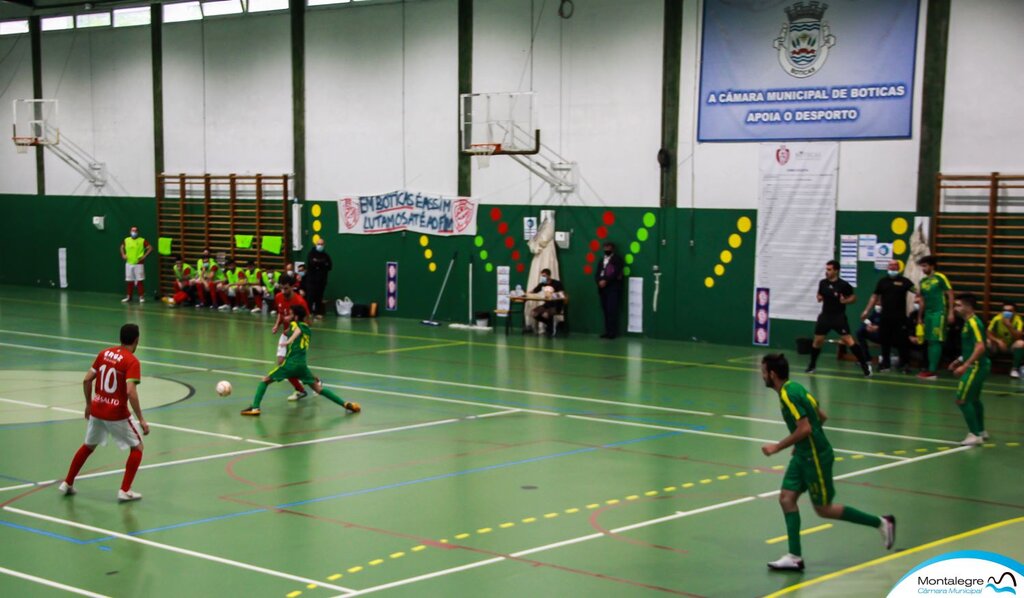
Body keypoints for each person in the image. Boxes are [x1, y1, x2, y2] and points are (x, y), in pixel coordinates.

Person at [760, 353, 895, 571]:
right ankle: (794, 557)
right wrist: (801, 443)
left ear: (772, 374)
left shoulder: (787, 395)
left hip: (815, 458)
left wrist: (777, 447)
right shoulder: (795, 387)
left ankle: (881, 522)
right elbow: (821, 416)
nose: (762, 375)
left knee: (823, 509)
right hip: (803, 455)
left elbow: (805, 428)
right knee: (786, 498)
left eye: (763, 371)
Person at [59, 323, 150, 502]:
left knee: (88, 446)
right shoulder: (132, 361)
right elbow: (131, 392)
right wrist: (141, 419)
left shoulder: (104, 354)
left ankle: (67, 483)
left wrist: (88, 405)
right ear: (137, 340)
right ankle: (125, 490)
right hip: (117, 414)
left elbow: (86, 380)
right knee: (138, 447)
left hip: (97, 409)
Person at [241, 305, 361, 416]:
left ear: (296, 317)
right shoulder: (308, 329)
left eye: (291, 314)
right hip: (302, 366)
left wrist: (288, 338)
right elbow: (297, 330)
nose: (289, 316)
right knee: (318, 389)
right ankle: (345, 404)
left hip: (290, 364)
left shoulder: (295, 325)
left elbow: (294, 330)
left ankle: (255, 408)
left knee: (265, 381)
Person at [806, 260, 871, 376]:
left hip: (838, 317)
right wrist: (819, 297)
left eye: (830, 270)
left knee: (849, 341)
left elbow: (853, 298)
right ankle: (812, 365)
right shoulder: (822, 283)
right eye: (826, 269)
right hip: (825, 316)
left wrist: (845, 300)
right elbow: (819, 294)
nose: (827, 272)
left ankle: (865, 366)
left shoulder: (843, 285)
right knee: (817, 341)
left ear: (836, 271)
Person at [860, 260, 916, 372]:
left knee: (902, 342)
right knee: (885, 341)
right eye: (891, 265)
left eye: (895, 266)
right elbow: (874, 296)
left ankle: (904, 364)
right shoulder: (882, 282)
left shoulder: (905, 282)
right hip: (885, 318)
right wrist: (866, 310)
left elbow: (917, 291)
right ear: (887, 267)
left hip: (900, 318)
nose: (893, 267)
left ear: (898, 267)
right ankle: (885, 364)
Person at [950, 293, 990, 446]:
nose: (955, 308)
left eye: (959, 305)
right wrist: (959, 360)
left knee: (962, 399)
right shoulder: (967, 323)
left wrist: (965, 365)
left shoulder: (974, 323)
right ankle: (980, 431)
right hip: (977, 365)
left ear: (968, 307)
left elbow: (980, 347)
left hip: (975, 367)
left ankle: (974, 435)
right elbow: (971, 346)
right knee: (974, 399)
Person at [272, 274, 313, 401]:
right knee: (281, 363)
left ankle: (313, 382)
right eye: (281, 288)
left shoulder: (300, 302)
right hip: (285, 334)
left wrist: (297, 329)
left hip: (296, 337)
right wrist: (277, 325)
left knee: (292, 366)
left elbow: (308, 321)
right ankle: (301, 390)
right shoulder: (278, 297)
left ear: (292, 287)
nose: (283, 291)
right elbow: (280, 313)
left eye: (286, 288)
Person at [916, 256, 954, 379]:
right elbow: (922, 301)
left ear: (932, 266)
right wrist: (919, 317)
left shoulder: (940, 277)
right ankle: (929, 369)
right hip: (928, 314)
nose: (923, 268)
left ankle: (933, 371)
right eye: (922, 266)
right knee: (929, 341)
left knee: (936, 340)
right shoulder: (922, 282)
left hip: (939, 312)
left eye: (925, 265)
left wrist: (951, 312)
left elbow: (950, 294)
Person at [986, 301, 1024, 378]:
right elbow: (988, 332)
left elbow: (1018, 337)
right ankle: (985, 365)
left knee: (1021, 343)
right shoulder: (997, 319)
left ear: (1014, 312)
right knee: (987, 342)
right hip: (999, 345)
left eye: (1010, 311)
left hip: (1011, 346)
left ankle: (1015, 369)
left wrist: (1009, 325)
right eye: (1005, 310)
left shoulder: (1018, 320)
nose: (1007, 313)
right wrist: (998, 340)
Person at [595, 241, 624, 339]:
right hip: (602, 290)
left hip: (613, 288)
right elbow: (597, 273)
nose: (606, 250)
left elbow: (615, 273)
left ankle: (612, 332)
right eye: (605, 248)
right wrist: (599, 281)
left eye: (608, 248)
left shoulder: (617, 259)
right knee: (605, 311)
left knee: (612, 310)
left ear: (612, 249)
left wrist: (606, 281)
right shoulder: (601, 260)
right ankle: (607, 331)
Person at [120, 226, 153, 303]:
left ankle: (141, 297)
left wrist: (144, 256)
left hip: (138, 264)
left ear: (137, 232)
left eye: (135, 231)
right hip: (129, 263)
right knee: (129, 281)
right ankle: (129, 297)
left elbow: (150, 248)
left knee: (139, 281)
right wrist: (123, 254)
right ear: (130, 231)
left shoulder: (142, 240)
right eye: (132, 230)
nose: (133, 232)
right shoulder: (126, 240)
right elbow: (121, 247)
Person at [529, 268, 566, 336]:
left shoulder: (557, 283)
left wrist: (552, 295)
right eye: (542, 276)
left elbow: (562, 294)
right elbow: (534, 291)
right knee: (533, 313)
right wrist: (526, 293)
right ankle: (549, 325)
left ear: (549, 276)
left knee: (545, 314)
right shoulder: (542, 283)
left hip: (556, 305)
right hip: (546, 305)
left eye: (544, 276)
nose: (543, 277)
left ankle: (550, 329)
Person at [305, 240, 333, 319]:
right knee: (310, 296)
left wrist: (318, 262)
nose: (320, 245)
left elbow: (330, 266)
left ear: (324, 245)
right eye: (318, 244)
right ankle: (309, 312)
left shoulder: (326, 255)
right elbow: (312, 263)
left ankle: (318, 313)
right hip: (311, 280)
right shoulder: (311, 254)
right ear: (316, 244)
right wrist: (323, 263)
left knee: (319, 297)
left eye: (321, 244)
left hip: (322, 280)